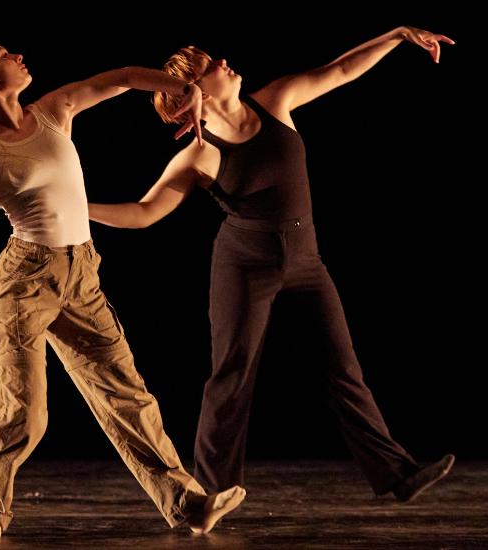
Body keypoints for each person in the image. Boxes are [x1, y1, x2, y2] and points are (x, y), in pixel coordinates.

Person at [0, 39, 245, 538]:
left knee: (130, 398)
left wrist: (184, 89)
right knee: (24, 413)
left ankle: (188, 505)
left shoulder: (54, 110)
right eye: (3, 54)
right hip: (24, 285)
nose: (17, 54)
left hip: (82, 276)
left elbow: (120, 77)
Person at [88, 27, 457, 503]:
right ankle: (210, 495)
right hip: (244, 264)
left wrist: (397, 35)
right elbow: (143, 212)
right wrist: (78, 208)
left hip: (307, 261)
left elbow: (340, 70)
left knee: (342, 367)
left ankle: (397, 473)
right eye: (209, 66)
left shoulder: (275, 100)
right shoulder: (200, 155)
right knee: (232, 374)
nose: (223, 62)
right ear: (191, 93)